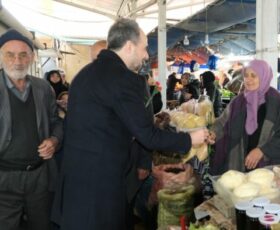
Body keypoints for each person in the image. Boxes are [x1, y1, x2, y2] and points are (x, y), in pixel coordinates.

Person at [51, 18, 208, 230]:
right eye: (144, 48)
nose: (145, 55)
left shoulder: (83, 74)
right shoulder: (122, 78)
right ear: (129, 46)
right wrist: (190, 138)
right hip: (100, 185)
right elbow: (148, 135)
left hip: (76, 180)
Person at [0, 29, 63, 230]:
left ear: (32, 57)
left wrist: (54, 140)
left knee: (41, 225)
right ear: (1, 57)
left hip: (39, 176)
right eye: (10, 54)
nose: (17, 60)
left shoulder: (43, 88)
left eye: (23, 54)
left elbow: (57, 122)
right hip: (4, 178)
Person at [207, 59, 280, 175]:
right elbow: (223, 122)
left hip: (270, 166)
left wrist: (263, 150)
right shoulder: (239, 101)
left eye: (253, 76)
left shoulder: (278, 102)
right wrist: (213, 133)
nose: (248, 80)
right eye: (246, 76)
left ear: (263, 76)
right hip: (242, 163)